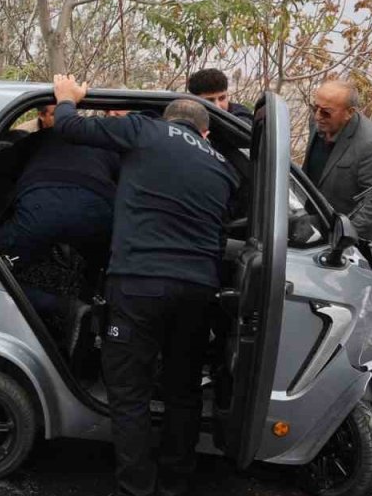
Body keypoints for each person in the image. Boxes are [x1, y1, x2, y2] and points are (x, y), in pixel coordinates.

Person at [51, 74, 239, 496]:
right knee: (183, 391)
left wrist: (67, 99)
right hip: (197, 291)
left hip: (139, 284)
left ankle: (137, 488)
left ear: (168, 118)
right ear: (205, 132)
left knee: (130, 392)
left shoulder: (145, 130)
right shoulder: (223, 168)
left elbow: (70, 129)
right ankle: (174, 484)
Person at [0, 112, 119, 314]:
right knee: (105, 273)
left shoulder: (38, 138)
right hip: (99, 209)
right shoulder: (102, 142)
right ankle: (94, 310)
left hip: (42, 209)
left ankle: (67, 309)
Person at [301, 80, 372, 253]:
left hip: (363, 242)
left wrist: (345, 233)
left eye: (326, 112)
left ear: (349, 113)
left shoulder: (371, 143)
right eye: (315, 108)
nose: (317, 116)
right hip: (323, 231)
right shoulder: (318, 121)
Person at [187, 68, 252, 123]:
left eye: (222, 98)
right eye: (210, 101)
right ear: (195, 101)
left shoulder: (240, 114)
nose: (217, 106)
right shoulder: (187, 117)